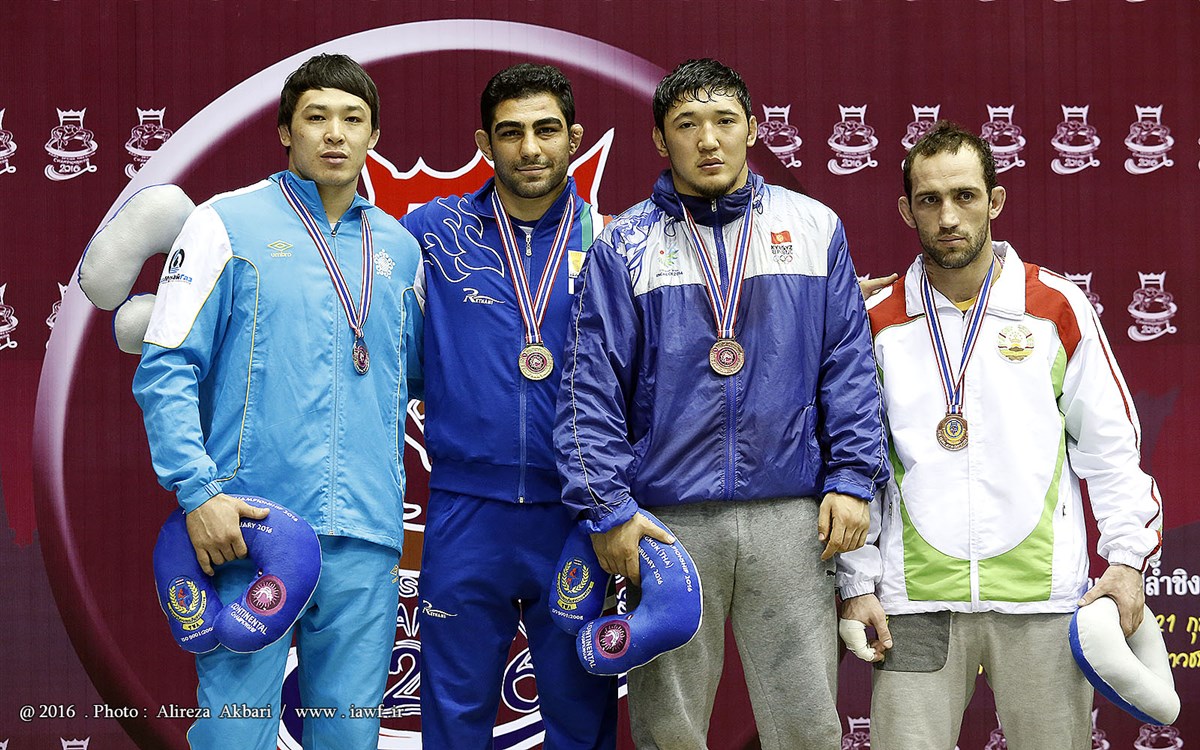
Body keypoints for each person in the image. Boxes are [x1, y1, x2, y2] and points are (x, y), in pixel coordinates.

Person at [554, 58, 889, 749]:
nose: (708, 140)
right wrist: (608, 508)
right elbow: (590, 387)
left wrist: (853, 479)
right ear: (660, 139)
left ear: (753, 129)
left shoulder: (814, 226)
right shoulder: (623, 243)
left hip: (792, 517)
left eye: (724, 121)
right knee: (667, 730)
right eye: (687, 124)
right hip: (667, 522)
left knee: (807, 726)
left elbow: (849, 368)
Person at [837, 121, 1163, 750]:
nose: (948, 217)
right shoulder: (876, 322)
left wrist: (1126, 561)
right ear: (906, 210)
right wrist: (856, 585)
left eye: (964, 195)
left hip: (1044, 602)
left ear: (995, 200)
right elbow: (854, 466)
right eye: (929, 200)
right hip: (915, 603)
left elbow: (1112, 450)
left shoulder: (1056, 308)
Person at [133, 54, 423, 749]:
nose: (335, 134)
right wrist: (199, 492)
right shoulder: (224, 224)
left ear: (374, 135)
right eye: (316, 117)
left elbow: (411, 381)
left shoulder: (400, 249)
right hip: (249, 525)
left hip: (365, 536)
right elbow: (166, 367)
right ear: (286, 131)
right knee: (233, 736)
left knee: (349, 739)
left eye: (352, 119)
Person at [399, 63, 617, 749]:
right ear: (484, 143)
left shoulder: (614, 240)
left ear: (573, 138)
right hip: (466, 511)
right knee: (452, 715)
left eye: (546, 130)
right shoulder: (428, 233)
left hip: (576, 515)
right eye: (511, 132)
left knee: (580, 716)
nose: (529, 148)